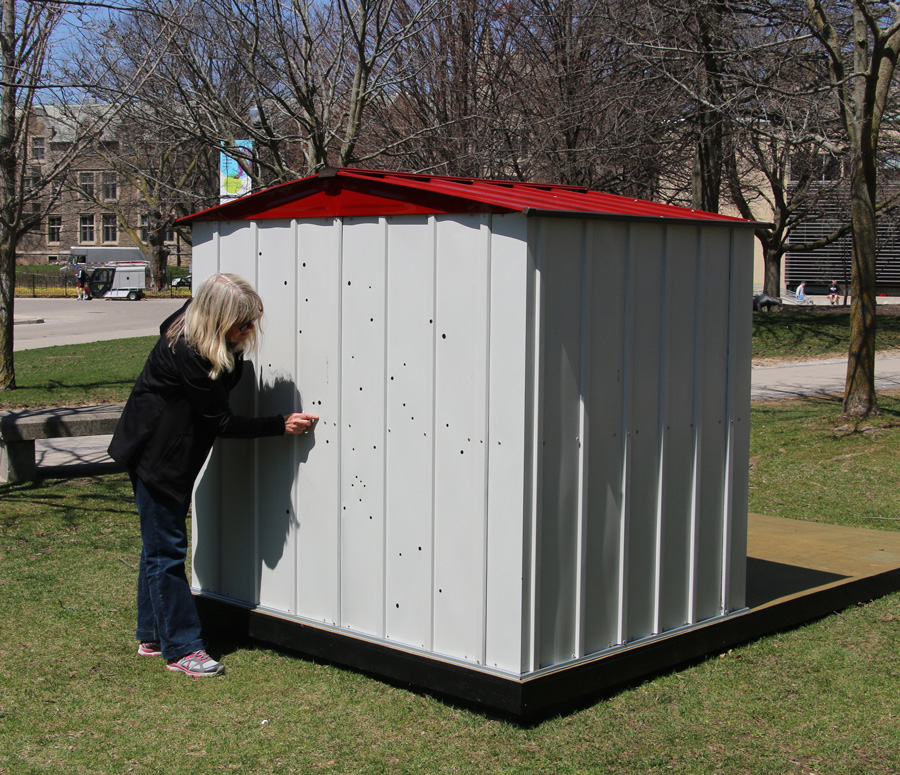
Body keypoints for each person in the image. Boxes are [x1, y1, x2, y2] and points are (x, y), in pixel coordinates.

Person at [108, 273, 318, 677]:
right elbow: (220, 422)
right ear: (219, 318)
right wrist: (280, 424)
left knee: (157, 548)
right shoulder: (191, 352)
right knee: (167, 552)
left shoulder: (193, 323)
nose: (250, 330)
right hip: (158, 459)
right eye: (243, 323)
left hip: (166, 452)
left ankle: (153, 633)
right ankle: (183, 648)